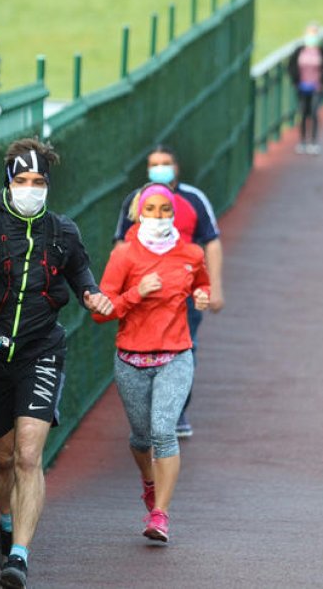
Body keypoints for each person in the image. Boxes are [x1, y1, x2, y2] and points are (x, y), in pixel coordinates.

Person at [0, 138, 114, 589]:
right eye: (23, 180)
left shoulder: (63, 232)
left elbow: (82, 276)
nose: (31, 188)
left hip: (41, 352)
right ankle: (6, 522)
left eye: (39, 181)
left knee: (27, 455)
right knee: (2, 456)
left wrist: (93, 295)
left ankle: (18, 556)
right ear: (8, 183)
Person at [93, 183, 210, 543]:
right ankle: (149, 482)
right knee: (142, 438)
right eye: (151, 209)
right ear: (138, 213)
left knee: (163, 431)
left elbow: (201, 283)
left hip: (176, 356)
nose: (159, 216)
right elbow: (101, 312)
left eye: (165, 210)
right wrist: (137, 292)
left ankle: (160, 514)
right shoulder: (124, 255)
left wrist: (202, 295)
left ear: (174, 213)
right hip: (131, 359)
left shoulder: (191, 253)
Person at [113, 146, 224, 438]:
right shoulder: (134, 200)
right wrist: (123, 291)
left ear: (176, 167)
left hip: (182, 292)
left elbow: (211, 242)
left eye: (165, 163)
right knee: (143, 347)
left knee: (185, 347)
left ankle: (175, 409)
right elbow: (120, 244)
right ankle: (151, 410)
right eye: (154, 164)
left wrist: (214, 288)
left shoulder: (194, 199)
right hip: (144, 293)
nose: (159, 168)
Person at [287, 22, 323, 155]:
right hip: (302, 88)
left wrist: (322, 82)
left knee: (314, 112)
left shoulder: (321, 51)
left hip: (316, 88)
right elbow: (291, 66)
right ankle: (302, 141)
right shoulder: (299, 50)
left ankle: (313, 141)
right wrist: (296, 82)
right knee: (303, 113)